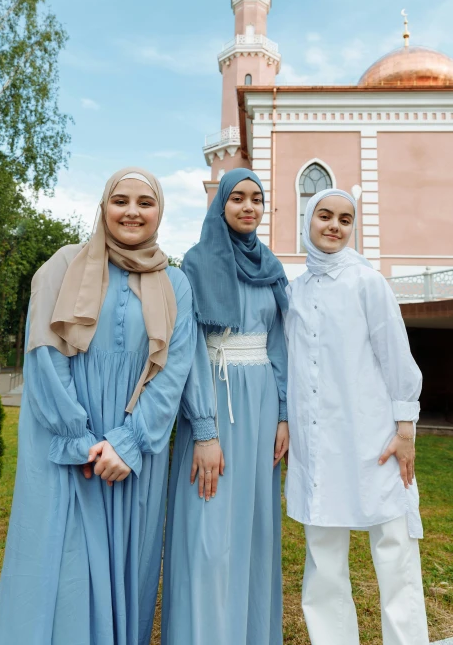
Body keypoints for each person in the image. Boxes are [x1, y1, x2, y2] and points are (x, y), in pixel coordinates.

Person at [0, 167, 213, 645]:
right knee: (66, 572)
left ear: (159, 212)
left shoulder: (176, 283)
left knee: (128, 570)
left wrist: (128, 443)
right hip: (71, 452)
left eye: (145, 203)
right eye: (121, 200)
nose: (132, 211)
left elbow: (173, 372)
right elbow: (45, 355)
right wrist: (81, 440)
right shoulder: (63, 265)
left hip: (133, 454)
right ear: (104, 206)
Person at [285, 188, 429, 645]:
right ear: (307, 220)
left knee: (394, 554)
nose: (334, 226)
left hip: (374, 439)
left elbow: (397, 359)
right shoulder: (294, 290)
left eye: (345, 219)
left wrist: (405, 429)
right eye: (324, 216)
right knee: (323, 562)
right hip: (316, 445)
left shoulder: (369, 282)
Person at [161, 168, 289, 645]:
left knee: (252, 528)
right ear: (220, 205)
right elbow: (189, 348)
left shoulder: (272, 267)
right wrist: (206, 430)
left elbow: (280, 343)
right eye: (237, 198)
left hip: (259, 408)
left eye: (256, 198)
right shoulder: (196, 262)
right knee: (209, 533)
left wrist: (283, 414)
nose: (248, 206)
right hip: (212, 399)